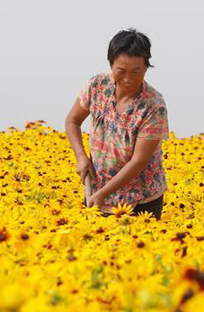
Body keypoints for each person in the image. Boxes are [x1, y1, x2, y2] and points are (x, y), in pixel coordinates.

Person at [65, 28, 170, 220]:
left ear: (147, 66)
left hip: (140, 201)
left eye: (136, 72)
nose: (128, 79)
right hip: (96, 189)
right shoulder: (97, 85)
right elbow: (72, 121)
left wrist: (104, 193)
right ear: (111, 64)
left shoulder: (154, 105)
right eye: (121, 71)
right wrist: (81, 157)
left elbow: (139, 161)